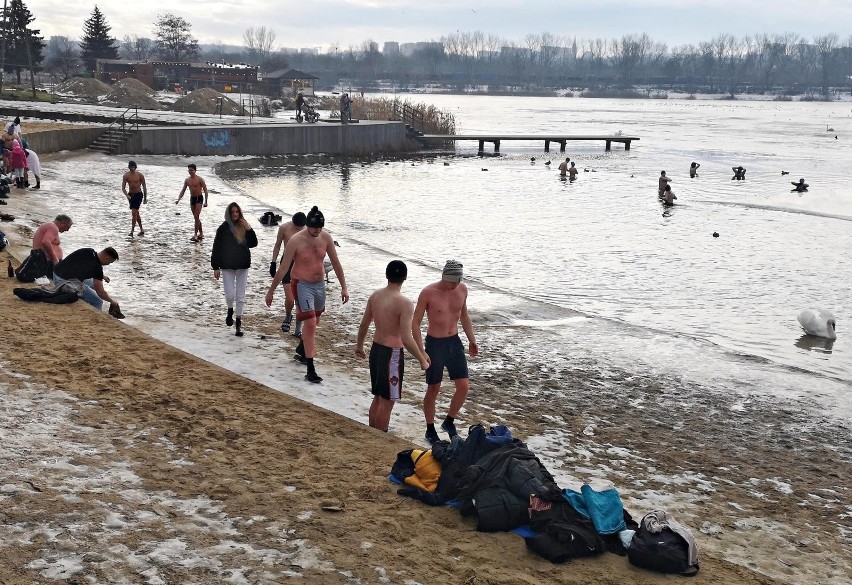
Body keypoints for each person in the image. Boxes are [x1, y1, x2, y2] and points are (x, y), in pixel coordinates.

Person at [265, 205, 349, 383]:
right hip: (301, 283)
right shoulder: (296, 240)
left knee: (315, 321)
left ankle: (303, 348)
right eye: (314, 228)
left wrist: (344, 287)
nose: (317, 232)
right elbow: (284, 267)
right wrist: (271, 290)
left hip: (319, 285)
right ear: (307, 226)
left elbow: (336, 263)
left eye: (319, 228)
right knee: (310, 323)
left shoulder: (325, 237)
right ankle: (310, 368)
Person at [356, 260, 431, 432]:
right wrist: (422, 359)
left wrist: (359, 346)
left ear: (386, 275)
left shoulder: (376, 296)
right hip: (392, 355)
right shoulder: (404, 303)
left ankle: (371, 433)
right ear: (405, 277)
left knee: (378, 397)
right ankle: (379, 436)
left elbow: (364, 324)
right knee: (387, 400)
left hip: (376, 349)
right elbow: (406, 338)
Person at [412, 260, 479, 444]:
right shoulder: (428, 292)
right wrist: (420, 351)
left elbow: (463, 315)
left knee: (463, 386)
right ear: (444, 277)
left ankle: (449, 421)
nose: (455, 285)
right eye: (452, 282)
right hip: (435, 344)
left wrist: (472, 339)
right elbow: (415, 323)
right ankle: (430, 428)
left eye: (458, 281)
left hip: (454, 342)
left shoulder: (462, 289)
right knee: (434, 387)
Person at [211, 202, 258, 337]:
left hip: (243, 264)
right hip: (227, 265)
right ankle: (230, 309)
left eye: (237, 212)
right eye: (233, 212)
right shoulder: (223, 229)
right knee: (230, 294)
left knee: (240, 296)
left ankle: (238, 322)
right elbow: (216, 248)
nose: (235, 215)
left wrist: (249, 229)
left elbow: (253, 244)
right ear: (229, 213)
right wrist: (215, 266)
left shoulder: (244, 227)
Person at [52, 246, 123, 318]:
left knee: (92, 284)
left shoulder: (88, 251)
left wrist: (102, 276)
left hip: (56, 274)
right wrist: (112, 301)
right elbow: (100, 292)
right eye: (110, 262)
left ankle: (86, 300)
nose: (108, 264)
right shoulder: (97, 268)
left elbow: (79, 265)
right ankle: (96, 318)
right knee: (98, 301)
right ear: (106, 258)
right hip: (65, 283)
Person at [269, 211, 307, 336]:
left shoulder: (308, 229)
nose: (299, 229)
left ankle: (298, 330)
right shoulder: (284, 228)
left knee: (300, 299)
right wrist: (273, 262)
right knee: (290, 298)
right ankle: (288, 315)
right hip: (287, 263)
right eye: (297, 227)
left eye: (301, 227)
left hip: (302, 264)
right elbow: (277, 245)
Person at [15, 214, 72, 281]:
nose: (67, 230)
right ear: (63, 222)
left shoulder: (48, 225)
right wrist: (55, 259)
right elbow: (46, 242)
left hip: (41, 258)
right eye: (68, 227)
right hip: (46, 261)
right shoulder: (53, 227)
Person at [176, 163, 209, 241]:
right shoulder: (187, 180)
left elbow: (206, 191)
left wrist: (206, 202)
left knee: (196, 216)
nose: (190, 171)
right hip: (192, 199)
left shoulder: (200, 179)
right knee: (196, 217)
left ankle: (195, 235)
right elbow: (183, 190)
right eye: (189, 170)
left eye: (192, 170)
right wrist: (178, 199)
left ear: (195, 170)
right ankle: (201, 233)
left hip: (199, 198)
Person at [121, 160, 147, 237]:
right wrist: (127, 195)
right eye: (131, 167)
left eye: (134, 167)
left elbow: (144, 187)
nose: (133, 168)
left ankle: (132, 231)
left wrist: (145, 198)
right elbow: (123, 188)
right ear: (129, 167)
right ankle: (142, 230)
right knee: (136, 213)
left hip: (138, 194)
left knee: (134, 212)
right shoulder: (126, 176)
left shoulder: (140, 175)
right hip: (131, 195)